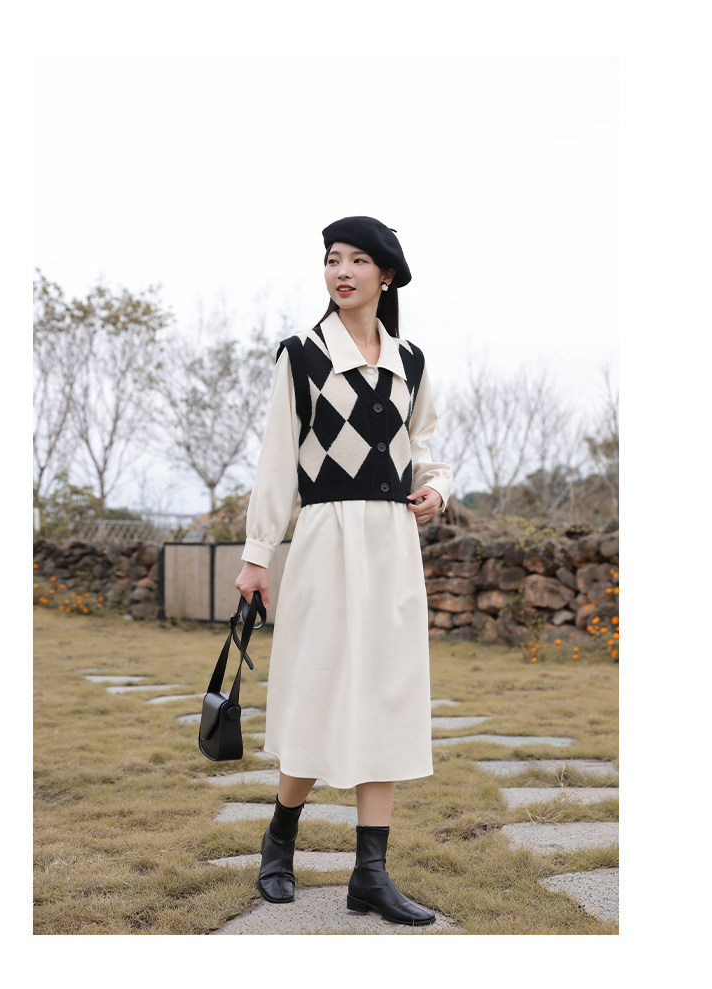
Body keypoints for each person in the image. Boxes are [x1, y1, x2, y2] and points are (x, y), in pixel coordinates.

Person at [235, 215, 452, 926]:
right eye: (333, 259)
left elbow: (426, 445)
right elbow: (277, 461)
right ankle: (280, 838)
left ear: (385, 276)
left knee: (388, 694)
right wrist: (257, 555)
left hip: (393, 544)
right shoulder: (301, 356)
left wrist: (436, 491)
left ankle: (371, 875)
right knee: (316, 689)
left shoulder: (411, 360)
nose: (342, 271)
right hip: (325, 540)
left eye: (358, 260)